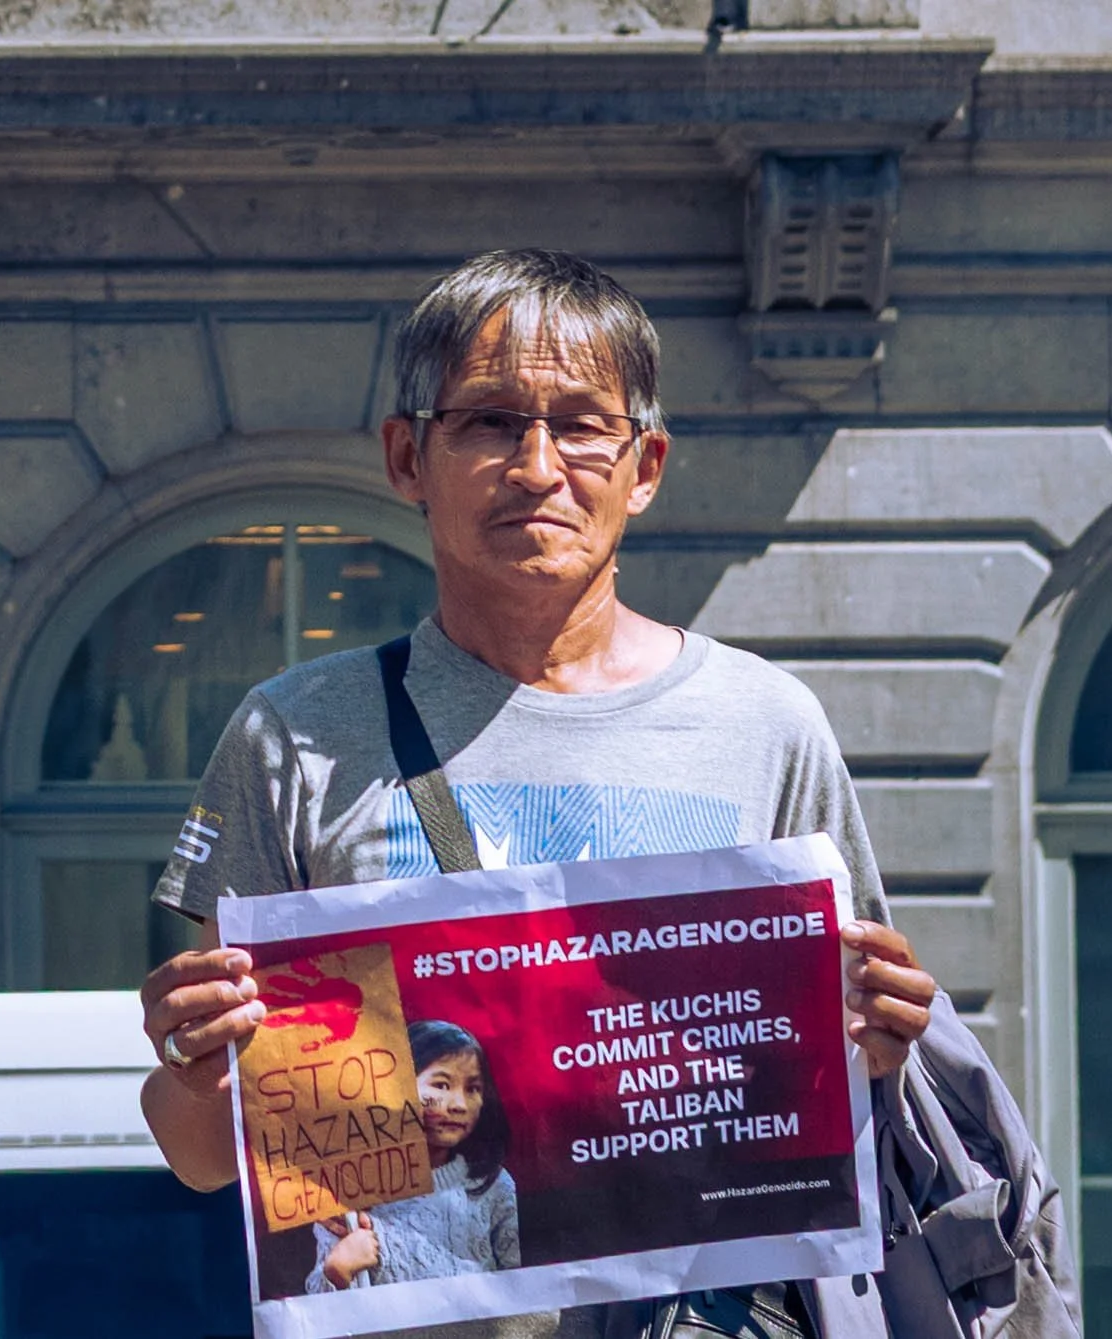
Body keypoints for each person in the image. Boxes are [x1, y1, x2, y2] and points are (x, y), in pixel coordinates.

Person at [137, 247, 1041, 1339]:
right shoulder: (296, 736)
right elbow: (199, 1161)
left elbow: (840, 1094)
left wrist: (881, 1042)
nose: (534, 464)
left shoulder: (764, 726)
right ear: (405, 456)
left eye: (578, 423)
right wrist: (194, 1077)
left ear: (644, 463)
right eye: (485, 420)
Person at [308, 1020, 520, 1293]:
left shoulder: (494, 1185)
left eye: (473, 1089)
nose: (458, 1104)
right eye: (442, 1085)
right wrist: (336, 1272)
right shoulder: (347, 1192)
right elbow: (318, 1312)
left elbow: (517, 1296)